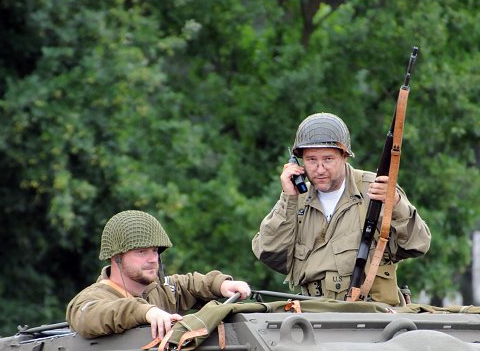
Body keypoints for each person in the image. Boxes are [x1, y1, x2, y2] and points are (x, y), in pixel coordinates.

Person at [252, 112, 430, 305]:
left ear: (344, 156)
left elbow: (417, 244)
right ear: (299, 162)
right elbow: (271, 255)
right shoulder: (296, 198)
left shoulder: (376, 189)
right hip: (312, 313)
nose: (320, 169)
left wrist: (396, 204)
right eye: (311, 160)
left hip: (372, 313)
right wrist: (288, 199)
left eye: (328, 159)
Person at [67, 210, 250, 339]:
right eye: (141, 252)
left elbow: (186, 285)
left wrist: (220, 284)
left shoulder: (158, 290)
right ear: (116, 258)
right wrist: (145, 312)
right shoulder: (93, 298)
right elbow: (87, 316)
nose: (153, 259)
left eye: (154, 251)